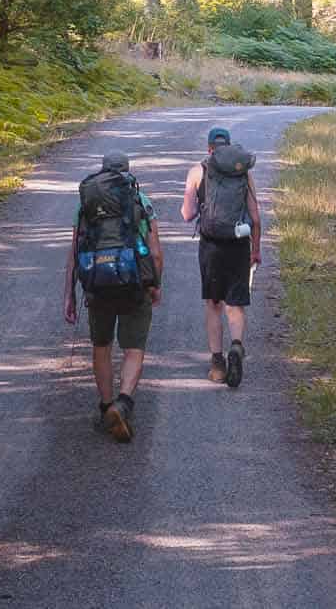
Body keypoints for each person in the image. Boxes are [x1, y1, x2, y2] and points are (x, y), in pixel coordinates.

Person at [63, 151, 162, 441]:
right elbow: (155, 252)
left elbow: (74, 253)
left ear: (102, 171)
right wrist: (156, 285)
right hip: (134, 283)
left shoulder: (85, 205)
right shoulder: (141, 202)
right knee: (134, 347)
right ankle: (124, 402)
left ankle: (106, 406)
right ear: (127, 171)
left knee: (101, 344)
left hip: (97, 282)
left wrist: (69, 294)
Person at [182, 125, 260, 389]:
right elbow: (256, 218)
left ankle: (217, 364)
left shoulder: (198, 171)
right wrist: (256, 250)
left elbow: (186, 214)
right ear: (229, 145)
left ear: (209, 148)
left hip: (211, 245)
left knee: (214, 304)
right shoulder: (243, 173)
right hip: (238, 244)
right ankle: (236, 346)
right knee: (234, 304)